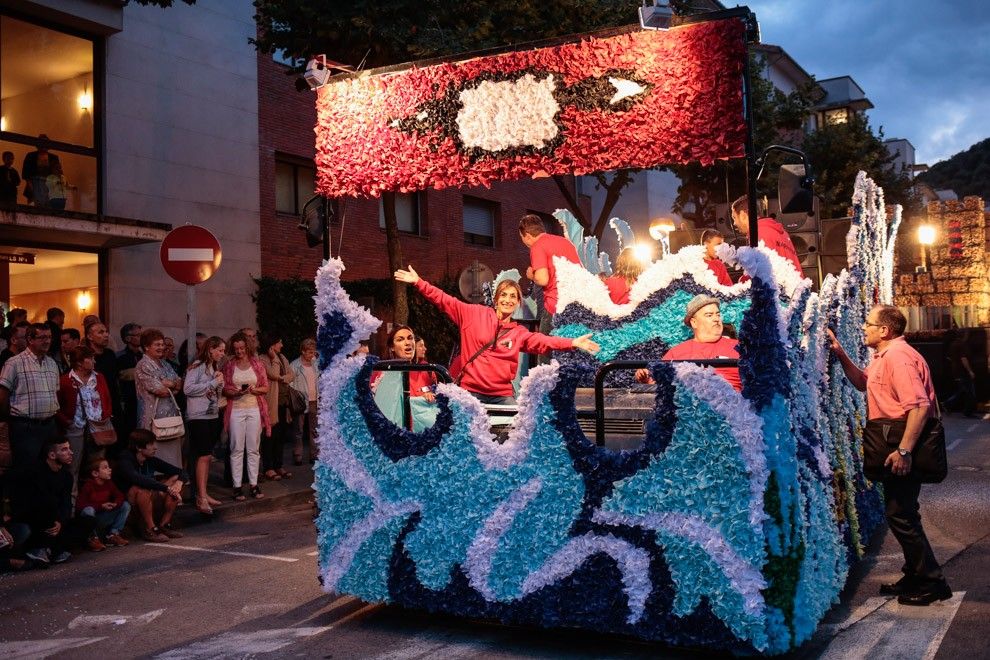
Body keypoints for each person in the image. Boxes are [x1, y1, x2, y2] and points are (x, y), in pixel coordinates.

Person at [827, 305, 952, 606]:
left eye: (868, 323)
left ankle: (932, 582)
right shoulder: (886, 357)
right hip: (895, 444)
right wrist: (840, 352)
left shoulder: (898, 357)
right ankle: (915, 575)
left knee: (902, 515)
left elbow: (919, 406)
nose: (863, 327)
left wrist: (904, 451)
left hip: (901, 447)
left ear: (884, 330)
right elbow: (862, 383)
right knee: (903, 512)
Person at [395, 266, 599, 405]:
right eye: (504, 295)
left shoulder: (519, 332)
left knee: (513, 438)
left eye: (513, 297)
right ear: (496, 299)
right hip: (471, 394)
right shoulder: (473, 314)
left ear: (518, 302)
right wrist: (419, 282)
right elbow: (444, 300)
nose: (508, 300)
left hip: (502, 396)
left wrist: (572, 342)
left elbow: (543, 341)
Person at [8, 437, 95, 566]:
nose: (70, 452)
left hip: (55, 520)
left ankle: (51, 550)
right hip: (36, 519)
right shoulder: (35, 472)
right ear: (52, 455)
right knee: (45, 513)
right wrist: (55, 519)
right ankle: (43, 549)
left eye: (69, 448)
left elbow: (66, 503)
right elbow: (37, 502)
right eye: (64, 450)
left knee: (87, 522)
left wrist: (60, 521)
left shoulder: (66, 476)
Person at [636, 294, 742, 392]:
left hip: (732, 406)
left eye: (718, 315)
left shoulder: (740, 347)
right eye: (709, 315)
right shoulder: (676, 353)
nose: (716, 319)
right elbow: (658, 384)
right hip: (690, 407)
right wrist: (647, 380)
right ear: (694, 322)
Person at [56, 346, 114, 502]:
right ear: (80, 363)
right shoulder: (65, 380)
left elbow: (107, 398)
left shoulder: (99, 377)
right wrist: (66, 420)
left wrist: (105, 415)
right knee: (72, 468)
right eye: (90, 358)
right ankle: (72, 505)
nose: (94, 361)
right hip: (75, 427)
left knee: (97, 466)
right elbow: (57, 404)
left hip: (98, 428)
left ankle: (98, 503)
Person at [0, 323, 61, 469]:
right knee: (26, 470)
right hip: (26, 427)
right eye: (42, 337)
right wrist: (4, 422)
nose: (47, 341)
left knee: (48, 469)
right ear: (30, 339)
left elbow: (55, 393)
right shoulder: (14, 363)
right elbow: (2, 396)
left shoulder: (52, 363)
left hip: (49, 426)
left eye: (49, 337)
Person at [113, 429, 187, 543]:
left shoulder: (150, 459)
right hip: (129, 503)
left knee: (176, 479)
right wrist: (166, 488)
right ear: (139, 447)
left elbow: (181, 472)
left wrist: (179, 483)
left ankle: (164, 525)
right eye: (151, 444)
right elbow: (137, 479)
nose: (155, 447)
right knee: (141, 488)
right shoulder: (125, 459)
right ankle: (150, 528)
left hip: (150, 497)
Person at [222, 331, 270, 501]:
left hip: (254, 408)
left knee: (253, 448)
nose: (239, 351)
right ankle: (237, 486)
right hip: (236, 409)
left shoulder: (257, 364)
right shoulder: (229, 365)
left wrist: (254, 390)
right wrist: (234, 392)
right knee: (236, 447)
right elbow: (225, 388)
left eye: (242, 348)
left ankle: (254, 484)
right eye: (236, 349)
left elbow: (265, 387)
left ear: (247, 347)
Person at [183, 336, 226, 514]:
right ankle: (200, 496)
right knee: (203, 455)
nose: (222, 354)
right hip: (198, 416)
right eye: (220, 350)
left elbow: (214, 391)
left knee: (207, 456)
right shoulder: (198, 365)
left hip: (212, 414)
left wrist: (218, 383)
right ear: (211, 349)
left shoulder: (213, 367)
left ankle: (204, 492)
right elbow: (188, 389)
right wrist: (213, 382)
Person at [135, 328, 184, 470]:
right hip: (152, 420)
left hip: (170, 420)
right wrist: (169, 385)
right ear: (146, 347)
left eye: (162, 344)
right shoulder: (143, 365)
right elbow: (161, 391)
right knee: (155, 458)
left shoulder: (165, 364)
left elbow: (179, 383)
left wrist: (169, 383)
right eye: (157, 344)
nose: (161, 347)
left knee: (172, 462)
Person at [519, 213, 581, 322]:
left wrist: (532, 275)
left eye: (521, 237)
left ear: (527, 235)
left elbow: (542, 279)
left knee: (544, 338)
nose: (522, 241)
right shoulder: (566, 242)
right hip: (577, 304)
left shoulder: (537, 246)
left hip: (556, 306)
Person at [731, 195, 804, 277]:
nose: (734, 223)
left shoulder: (757, 233)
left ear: (742, 215)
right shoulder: (781, 232)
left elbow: (763, 274)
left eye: (734, 218)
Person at [258, 333, 294, 482]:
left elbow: (291, 374)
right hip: (271, 402)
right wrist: (274, 361)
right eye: (279, 343)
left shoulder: (282, 357)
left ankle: (279, 464)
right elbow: (272, 374)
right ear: (272, 345)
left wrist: (282, 378)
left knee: (280, 436)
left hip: (283, 402)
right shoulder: (263, 359)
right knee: (269, 436)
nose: (282, 345)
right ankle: (268, 467)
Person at [75, 457, 131, 550]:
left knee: (125, 505)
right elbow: (79, 506)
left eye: (109, 467)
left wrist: (115, 504)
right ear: (95, 473)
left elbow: (120, 496)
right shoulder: (88, 486)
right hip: (91, 520)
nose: (110, 469)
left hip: (103, 518)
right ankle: (92, 538)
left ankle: (113, 535)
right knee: (88, 509)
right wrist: (101, 506)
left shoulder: (108, 483)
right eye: (105, 468)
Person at [289, 338, 319, 466]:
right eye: (309, 352)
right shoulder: (295, 365)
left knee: (314, 430)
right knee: (298, 430)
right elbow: (290, 384)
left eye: (313, 352)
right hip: (301, 401)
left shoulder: (315, 363)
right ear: (303, 351)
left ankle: (314, 454)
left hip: (314, 400)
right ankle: (298, 455)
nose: (312, 355)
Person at [115, 322, 144, 445]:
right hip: (127, 402)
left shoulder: (144, 357)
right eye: (137, 335)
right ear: (127, 338)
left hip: (143, 401)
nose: (141, 338)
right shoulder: (119, 358)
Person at [944, 329, 977, 417]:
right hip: (963, 372)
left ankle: (948, 404)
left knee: (963, 391)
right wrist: (970, 371)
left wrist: (955, 363)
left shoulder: (953, 344)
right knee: (969, 392)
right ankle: (967, 411)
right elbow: (964, 359)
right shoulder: (963, 345)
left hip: (956, 371)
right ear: (964, 335)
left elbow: (949, 357)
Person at [21, 134, 62, 207]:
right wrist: (30, 184)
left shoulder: (53, 158)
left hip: (49, 186)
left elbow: (58, 173)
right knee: (33, 208)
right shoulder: (31, 156)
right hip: (34, 184)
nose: (43, 146)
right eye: (41, 143)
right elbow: (26, 172)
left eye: (45, 143)